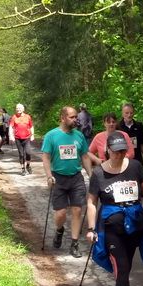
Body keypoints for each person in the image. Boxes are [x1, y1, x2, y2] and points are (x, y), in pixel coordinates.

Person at [85, 133, 143, 286]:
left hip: (134, 225)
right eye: (116, 151)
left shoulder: (135, 166)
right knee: (123, 267)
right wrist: (91, 228)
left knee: (126, 265)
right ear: (107, 150)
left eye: (122, 151)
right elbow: (91, 202)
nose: (119, 155)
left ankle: (120, 285)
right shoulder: (99, 173)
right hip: (111, 228)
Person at [41, 106, 92, 258]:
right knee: (60, 214)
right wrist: (49, 176)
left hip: (76, 178)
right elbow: (46, 157)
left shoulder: (79, 136)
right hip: (58, 178)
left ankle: (74, 244)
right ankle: (59, 230)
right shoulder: (51, 135)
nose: (75, 119)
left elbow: (85, 156)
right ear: (63, 118)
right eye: (72, 117)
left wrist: (91, 175)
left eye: (76, 117)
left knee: (77, 210)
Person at [118, 103, 143, 169]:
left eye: (131, 113)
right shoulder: (118, 127)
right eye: (126, 113)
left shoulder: (139, 126)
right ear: (122, 114)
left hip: (138, 161)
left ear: (134, 113)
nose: (129, 115)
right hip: (123, 163)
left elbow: (142, 144)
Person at [8, 103, 35, 176]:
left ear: (23, 109)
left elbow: (31, 126)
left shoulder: (28, 117)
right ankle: (23, 169)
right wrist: (11, 136)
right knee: (21, 154)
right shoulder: (14, 117)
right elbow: (11, 127)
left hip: (27, 138)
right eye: (17, 108)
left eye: (19, 108)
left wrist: (32, 135)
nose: (18, 109)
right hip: (18, 138)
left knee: (28, 152)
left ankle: (28, 165)